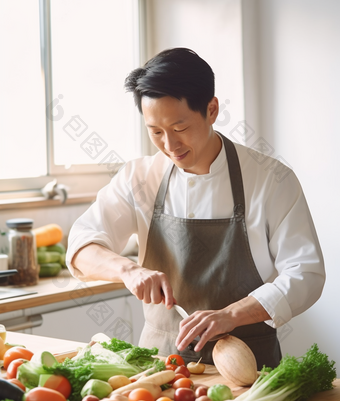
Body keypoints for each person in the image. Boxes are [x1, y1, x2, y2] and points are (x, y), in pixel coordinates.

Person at [66, 48, 325, 369]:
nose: (170, 145)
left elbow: (306, 274)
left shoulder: (270, 179)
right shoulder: (138, 177)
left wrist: (231, 315)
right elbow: (81, 245)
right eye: (156, 132)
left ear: (212, 109)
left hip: (249, 365)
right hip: (159, 363)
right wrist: (128, 270)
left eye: (180, 128)